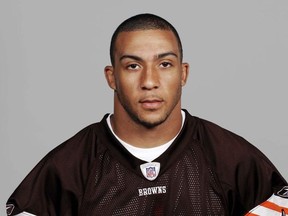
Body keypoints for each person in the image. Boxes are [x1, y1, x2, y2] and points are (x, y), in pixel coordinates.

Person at [6, 13, 287, 216]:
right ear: (112, 76)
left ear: (183, 73)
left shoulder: (230, 159)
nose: (150, 81)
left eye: (165, 64)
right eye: (132, 66)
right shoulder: (69, 168)